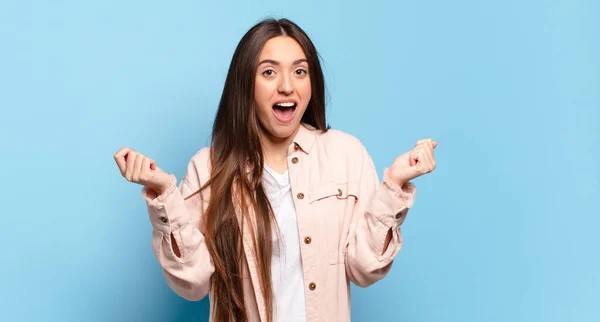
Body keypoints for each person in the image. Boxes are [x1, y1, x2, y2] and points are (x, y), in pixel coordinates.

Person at [113, 18, 437, 322]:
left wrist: (393, 186)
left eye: (300, 72)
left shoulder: (346, 154)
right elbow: (193, 282)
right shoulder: (208, 167)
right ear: (246, 84)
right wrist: (164, 196)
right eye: (269, 72)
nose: (286, 86)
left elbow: (365, 268)